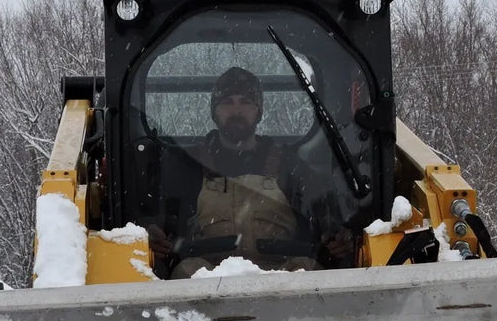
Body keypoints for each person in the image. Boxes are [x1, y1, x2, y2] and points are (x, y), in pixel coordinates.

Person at [150, 66, 354, 278]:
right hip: (208, 276)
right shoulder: (187, 166)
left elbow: (325, 217)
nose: (237, 111)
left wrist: (338, 238)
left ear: (259, 111)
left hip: (281, 276)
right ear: (214, 111)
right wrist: (156, 236)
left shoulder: (289, 165)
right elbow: (164, 224)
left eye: (246, 102)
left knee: (308, 270)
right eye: (227, 102)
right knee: (185, 271)